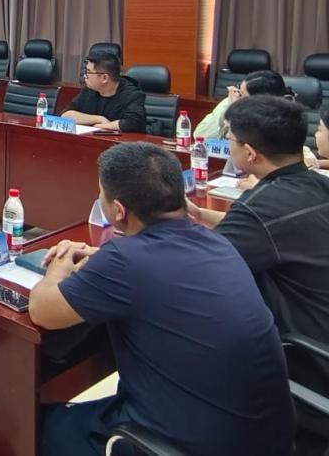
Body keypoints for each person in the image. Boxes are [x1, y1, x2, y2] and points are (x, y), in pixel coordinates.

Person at [30, 142, 294, 456]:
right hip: (268, 437)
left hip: (191, 444)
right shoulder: (216, 241)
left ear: (118, 210)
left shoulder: (125, 261)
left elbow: (42, 311)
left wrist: (58, 269)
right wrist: (102, 260)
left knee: (33, 426)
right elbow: (159, 268)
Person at [187, 96, 329, 345]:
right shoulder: (318, 184)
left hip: (306, 344)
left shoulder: (260, 206)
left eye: (230, 138)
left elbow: (199, 266)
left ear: (250, 153)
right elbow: (268, 229)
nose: (228, 143)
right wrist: (199, 213)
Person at [61, 50, 146, 132]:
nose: (84, 76)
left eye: (88, 72)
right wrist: (99, 119)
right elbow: (66, 115)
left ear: (104, 78)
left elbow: (133, 123)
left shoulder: (132, 95)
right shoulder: (89, 90)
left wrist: (99, 126)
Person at [195, 69, 295, 139]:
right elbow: (200, 136)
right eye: (239, 88)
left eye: (242, 94)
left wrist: (234, 116)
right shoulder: (233, 101)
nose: (237, 95)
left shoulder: (281, 119)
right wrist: (228, 109)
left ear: (260, 102)